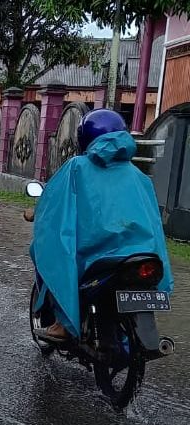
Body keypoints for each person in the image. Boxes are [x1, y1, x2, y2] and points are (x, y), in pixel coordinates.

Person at [30, 108, 174, 340]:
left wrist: (35, 213)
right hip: (143, 250)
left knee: (53, 255)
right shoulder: (139, 176)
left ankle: (65, 323)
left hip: (98, 252)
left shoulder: (76, 167)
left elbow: (53, 207)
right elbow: (154, 222)